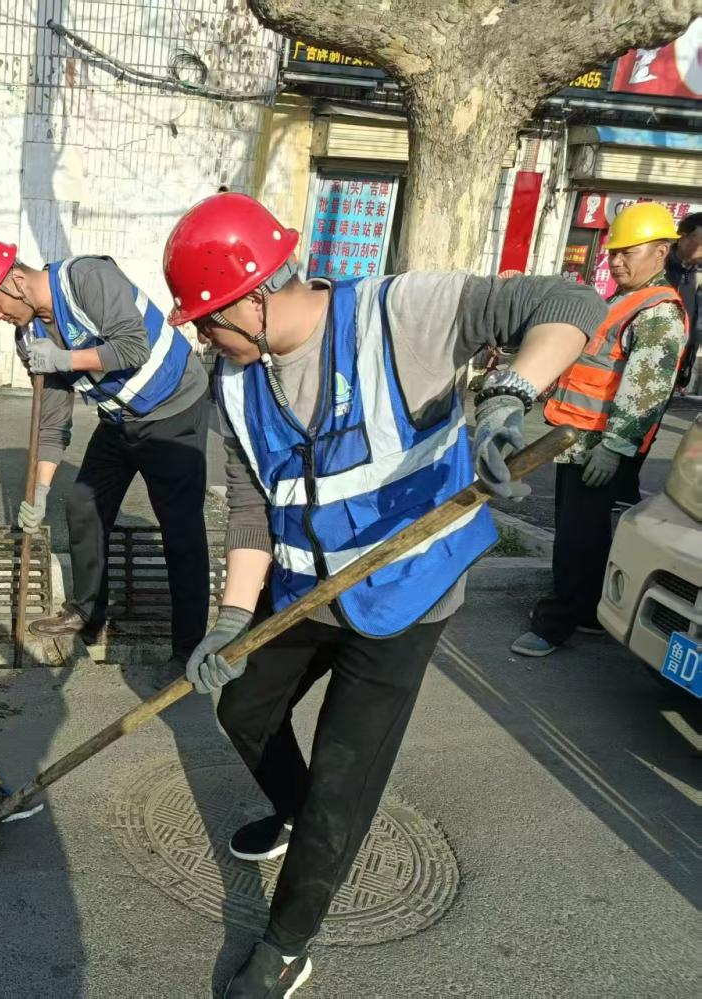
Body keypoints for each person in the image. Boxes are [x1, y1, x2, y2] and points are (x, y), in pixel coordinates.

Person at [162, 193, 601, 998]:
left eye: (206, 320)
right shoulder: (231, 378)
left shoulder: (397, 315)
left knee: (345, 771)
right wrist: (230, 620)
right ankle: (297, 818)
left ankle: (287, 943)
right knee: (241, 706)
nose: (201, 337)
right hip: (305, 587)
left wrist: (509, 394)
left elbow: (569, 301)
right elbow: (249, 502)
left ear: (254, 296)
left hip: (407, 590)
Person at [0, 237, 211, 670]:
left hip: (173, 407)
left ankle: (188, 648)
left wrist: (65, 359)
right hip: (119, 418)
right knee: (82, 504)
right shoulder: (29, 335)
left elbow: (133, 347)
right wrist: (38, 493)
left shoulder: (88, 278)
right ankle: (89, 611)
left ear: (16, 279)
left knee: (179, 526)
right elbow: (52, 421)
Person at [513, 202, 690, 657]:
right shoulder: (624, 300)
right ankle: (590, 613)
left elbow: (647, 388)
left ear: (662, 251)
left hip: (602, 448)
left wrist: (614, 447)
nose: (616, 260)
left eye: (629, 251)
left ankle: (555, 625)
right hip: (577, 441)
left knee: (579, 539)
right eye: (614, 252)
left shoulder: (658, 314)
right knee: (580, 533)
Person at [666, 210, 702, 397]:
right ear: (683, 238)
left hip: (676, 365)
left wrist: (687, 363)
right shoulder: (659, 266)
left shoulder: (694, 273)